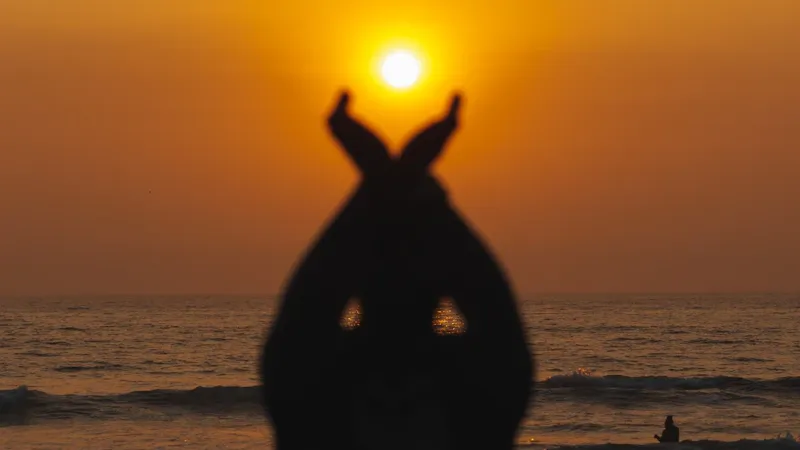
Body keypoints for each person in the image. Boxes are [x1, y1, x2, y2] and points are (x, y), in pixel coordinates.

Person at [260, 91, 534, 450]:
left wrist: (376, 180)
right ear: (440, 291)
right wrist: (418, 187)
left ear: (359, 288)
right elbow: (489, 300)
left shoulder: (307, 398)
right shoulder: (482, 401)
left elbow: (312, 300)